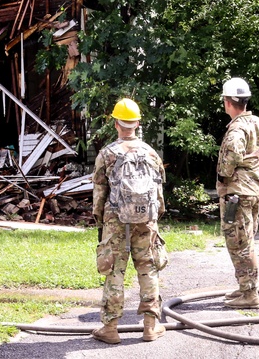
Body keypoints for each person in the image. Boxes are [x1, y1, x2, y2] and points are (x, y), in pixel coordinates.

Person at [91, 98, 168, 344]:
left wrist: (101, 222)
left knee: (115, 270)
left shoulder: (107, 154)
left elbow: (99, 193)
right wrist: (153, 219)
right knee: (148, 267)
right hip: (146, 218)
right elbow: (159, 193)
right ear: (136, 123)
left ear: (116, 123)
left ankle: (111, 328)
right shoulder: (151, 153)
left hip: (115, 219)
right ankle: (150, 326)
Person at [216, 77, 259, 309]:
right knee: (246, 239)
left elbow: (232, 155)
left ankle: (250, 294)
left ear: (227, 102)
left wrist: (225, 175)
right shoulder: (258, 123)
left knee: (239, 243)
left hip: (238, 193)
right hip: (255, 190)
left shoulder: (237, 128)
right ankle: (245, 287)